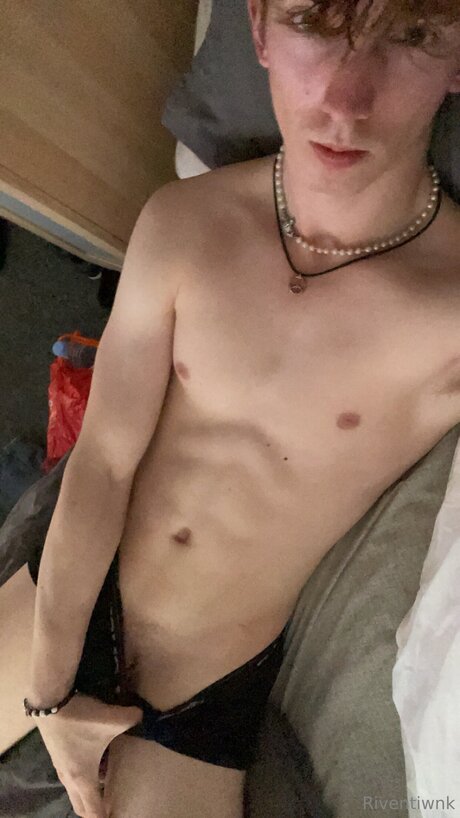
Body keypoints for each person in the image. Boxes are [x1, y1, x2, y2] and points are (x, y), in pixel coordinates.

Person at [24, 1, 460, 816]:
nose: (345, 99)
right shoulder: (184, 221)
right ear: (257, 29)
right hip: (75, 579)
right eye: (313, 25)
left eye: (410, 38)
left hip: (207, 680)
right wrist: (48, 697)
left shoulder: (450, 312)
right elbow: (105, 457)